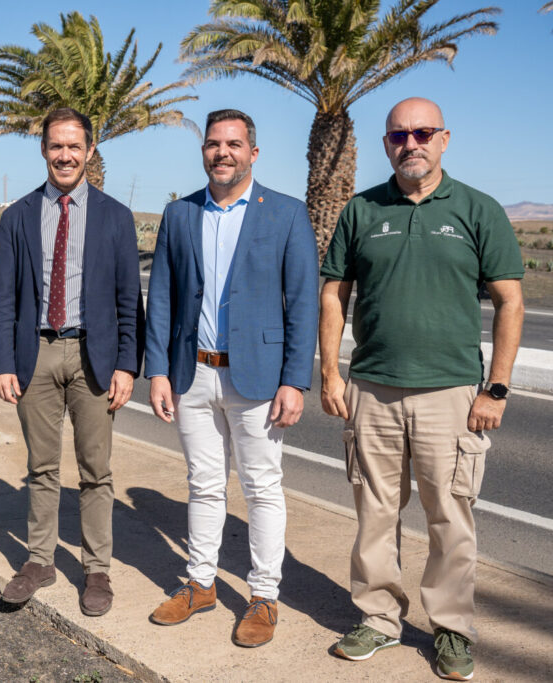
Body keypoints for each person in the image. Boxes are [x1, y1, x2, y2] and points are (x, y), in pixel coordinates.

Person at [319, 97, 524, 681]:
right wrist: (331, 372)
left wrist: (497, 389)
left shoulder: (477, 210)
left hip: (451, 395)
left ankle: (452, 629)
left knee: (449, 518)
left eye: (422, 133)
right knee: (374, 513)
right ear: (386, 143)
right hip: (373, 392)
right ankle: (378, 619)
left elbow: (510, 301)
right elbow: (334, 293)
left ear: (444, 139)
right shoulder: (362, 210)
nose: (411, 143)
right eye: (398, 135)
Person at [143, 109, 318, 647]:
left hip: (259, 378)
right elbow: (164, 298)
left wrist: (295, 379)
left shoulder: (286, 215)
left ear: (253, 153)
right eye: (214, 144)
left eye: (234, 144)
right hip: (192, 373)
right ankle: (200, 583)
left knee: (262, 487)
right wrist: (157, 370)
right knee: (203, 483)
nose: (223, 152)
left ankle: (264, 596)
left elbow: (304, 302)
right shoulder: (179, 214)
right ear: (204, 153)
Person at [0, 107, 142, 617]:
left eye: (75, 146)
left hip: (95, 359)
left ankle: (96, 569)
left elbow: (127, 300)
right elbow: (4, 298)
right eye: (56, 146)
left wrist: (127, 365)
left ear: (90, 151)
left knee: (97, 471)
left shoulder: (115, 217)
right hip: (37, 354)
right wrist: (3, 363)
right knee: (41, 466)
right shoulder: (18, 216)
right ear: (43, 150)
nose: (65, 155)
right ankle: (39, 560)